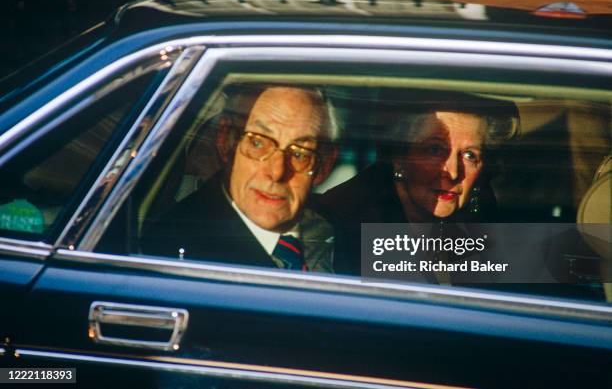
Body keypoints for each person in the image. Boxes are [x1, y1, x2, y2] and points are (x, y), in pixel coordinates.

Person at [140, 84, 340, 272]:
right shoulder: (174, 254)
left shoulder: (345, 230)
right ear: (226, 142)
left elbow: (372, 288)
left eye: (299, 154)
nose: (277, 172)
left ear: (325, 165)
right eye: (257, 143)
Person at [322, 89, 519, 277]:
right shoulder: (345, 230)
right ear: (399, 155)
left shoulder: (480, 213)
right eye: (434, 150)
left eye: (469, 155)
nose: (452, 172)